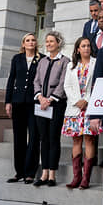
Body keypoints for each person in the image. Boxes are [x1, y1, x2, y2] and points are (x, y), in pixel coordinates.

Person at [63, 36, 101, 189]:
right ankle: (76, 177)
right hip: (74, 108)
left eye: (88, 46)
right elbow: (67, 86)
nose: (86, 48)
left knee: (89, 140)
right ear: (77, 49)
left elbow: (97, 83)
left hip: (90, 107)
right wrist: (77, 100)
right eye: (83, 46)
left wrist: (87, 100)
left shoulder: (96, 63)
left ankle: (86, 179)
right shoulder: (71, 65)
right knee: (76, 140)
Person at [32, 31, 69, 187]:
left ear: (58, 43)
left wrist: (51, 99)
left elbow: (63, 83)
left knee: (53, 139)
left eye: (51, 41)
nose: (48, 44)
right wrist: (40, 97)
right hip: (41, 104)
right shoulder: (42, 61)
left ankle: (52, 175)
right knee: (43, 139)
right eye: (46, 42)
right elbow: (36, 81)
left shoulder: (65, 61)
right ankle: (44, 173)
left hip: (56, 104)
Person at [4, 33, 41, 184]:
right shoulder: (16, 59)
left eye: (33, 40)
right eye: (28, 40)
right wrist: (8, 101)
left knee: (33, 137)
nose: (31, 42)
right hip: (18, 102)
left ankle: (30, 172)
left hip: (34, 103)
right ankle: (19, 172)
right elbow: (11, 79)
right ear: (23, 44)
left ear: (36, 43)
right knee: (19, 138)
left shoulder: (42, 59)